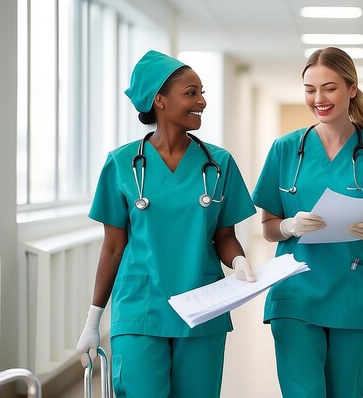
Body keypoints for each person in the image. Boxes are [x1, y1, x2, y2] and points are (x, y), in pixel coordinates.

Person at [75, 50, 257, 398]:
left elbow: (224, 236)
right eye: (191, 92)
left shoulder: (218, 164)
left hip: (203, 306)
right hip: (140, 309)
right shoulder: (122, 163)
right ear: (159, 100)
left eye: (202, 92)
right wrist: (92, 320)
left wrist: (238, 260)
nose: (202, 101)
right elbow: (113, 247)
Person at [252, 47, 363, 398]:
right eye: (310, 89)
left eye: (329, 88)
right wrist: (289, 227)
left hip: (354, 289)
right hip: (295, 291)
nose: (318, 99)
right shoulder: (286, 149)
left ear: (351, 89)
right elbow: (268, 226)